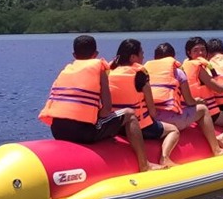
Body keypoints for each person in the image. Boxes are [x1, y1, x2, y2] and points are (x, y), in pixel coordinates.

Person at [38, 34, 161, 172]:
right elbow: (106, 110)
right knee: (130, 114)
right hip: (82, 132)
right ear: (96, 54)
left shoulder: (66, 71)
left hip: (58, 131)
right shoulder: (99, 69)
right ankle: (144, 164)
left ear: (74, 54)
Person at [145, 42, 223, 157]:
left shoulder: (145, 74)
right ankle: (216, 149)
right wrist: (197, 101)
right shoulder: (178, 73)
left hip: (150, 119)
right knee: (202, 109)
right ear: (173, 57)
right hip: (168, 119)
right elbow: (189, 101)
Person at [108, 39, 180, 168]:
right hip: (140, 127)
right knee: (173, 130)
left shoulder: (110, 73)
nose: (143, 56)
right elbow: (152, 112)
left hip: (117, 126)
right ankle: (165, 157)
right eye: (141, 53)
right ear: (133, 57)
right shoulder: (140, 76)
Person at [181, 36, 223, 147]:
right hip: (211, 113)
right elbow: (220, 89)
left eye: (203, 49)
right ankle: (222, 138)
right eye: (196, 50)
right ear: (189, 53)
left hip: (191, 111)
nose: (200, 53)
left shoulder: (183, 67)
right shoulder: (200, 69)